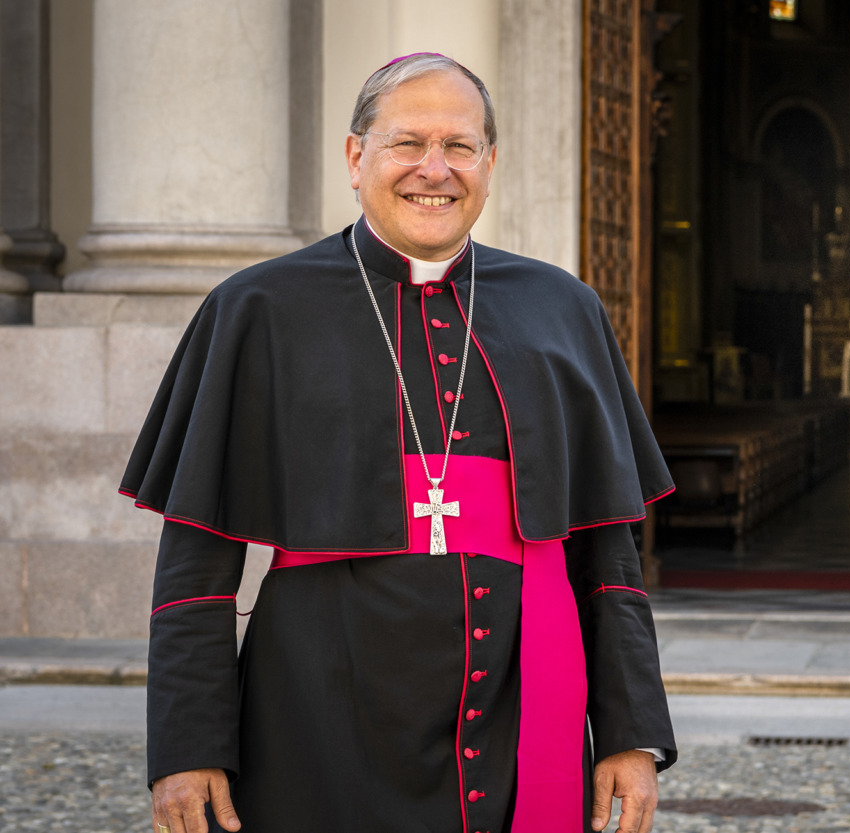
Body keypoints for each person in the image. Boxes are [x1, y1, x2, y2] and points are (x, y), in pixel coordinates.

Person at [122, 53, 677, 833]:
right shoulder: (257, 309)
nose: (435, 169)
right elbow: (196, 569)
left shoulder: (563, 309)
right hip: (316, 720)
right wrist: (187, 746)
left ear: (491, 163)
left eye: (460, 146)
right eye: (407, 143)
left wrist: (629, 734)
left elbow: (607, 558)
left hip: (516, 718)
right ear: (356, 158)